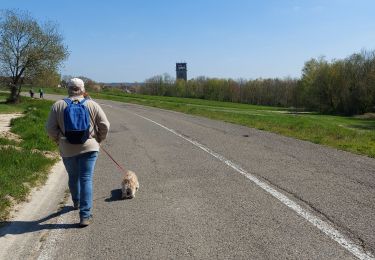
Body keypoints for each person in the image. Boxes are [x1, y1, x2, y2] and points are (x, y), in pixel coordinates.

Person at [46, 78, 110, 227]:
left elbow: (50, 128)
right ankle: (85, 216)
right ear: (82, 89)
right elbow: (105, 125)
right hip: (89, 147)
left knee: (73, 176)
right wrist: (99, 138)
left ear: (68, 89)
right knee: (86, 178)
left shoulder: (58, 105)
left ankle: (76, 202)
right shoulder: (92, 104)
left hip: (67, 148)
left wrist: (58, 140)